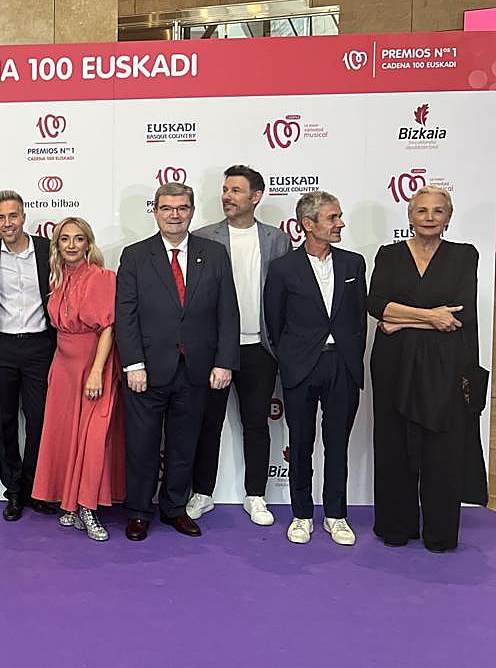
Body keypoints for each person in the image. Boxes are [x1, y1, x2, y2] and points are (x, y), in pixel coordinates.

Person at [116, 182, 239, 541]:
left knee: (185, 446)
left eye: (182, 208)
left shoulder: (214, 253)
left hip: (196, 369)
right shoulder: (135, 256)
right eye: (167, 208)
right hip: (146, 371)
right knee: (142, 446)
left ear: (192, 211)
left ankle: (174, 509)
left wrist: (224, 362)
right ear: (155, 211)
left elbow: (227, 311)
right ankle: (139, 511)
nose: (174, 215)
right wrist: (133, 364)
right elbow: (126, 315)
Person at [368, 186, 488, 552]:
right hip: (394, 362)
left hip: (445, 364)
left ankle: (440, 533)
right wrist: (430, 316)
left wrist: (400, 320)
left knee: (442, 447)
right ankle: (396, 526)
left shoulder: (464, 255)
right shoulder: (389, 254)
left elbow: (458, 315)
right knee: (393, 443)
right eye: (422, 211)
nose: (430, 217)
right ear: (410, 217)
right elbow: (377, 305)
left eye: (438, 211)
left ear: (448, 217)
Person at [188, 165, 291, 527]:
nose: (227, 197)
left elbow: (285, 295)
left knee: (256, 424)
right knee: (208, 423)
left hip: (260, 348)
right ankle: (202, 493)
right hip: (215, 350)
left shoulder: (277, 240)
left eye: (235, 190)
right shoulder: (203, 237)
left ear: (256, 197)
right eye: (225, 190)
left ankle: (256, 495)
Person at [264, 191, 366, 546]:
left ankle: (336, 515)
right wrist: (291, 358)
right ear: (308, 224)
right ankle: (302, 514)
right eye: (332, 218)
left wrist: (351, 356)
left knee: (337, 444)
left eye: (339, 216)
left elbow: (358, 318)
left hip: (342, 365)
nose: (340, 223)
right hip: (301, 366)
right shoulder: (282, 268)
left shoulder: (354, 264)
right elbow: (274, 321)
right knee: (300, 444)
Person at [32, 218, 125, 541]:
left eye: (79, 238)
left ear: (89, 243)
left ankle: (88, 507)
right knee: (68, 437)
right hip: (63, 367)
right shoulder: (56, 278)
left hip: (94, 365)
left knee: (93, 439)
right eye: (65, 239)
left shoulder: (103, 277)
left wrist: (97, 370)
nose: (71, 245)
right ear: (57, 245)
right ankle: (70, 503)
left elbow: (109, 328)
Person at [0, 190, 56, 521]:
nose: (7, 223)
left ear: (24, 217)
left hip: (40, 347)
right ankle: (14, 492)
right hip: (1, 349)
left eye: (13, 216)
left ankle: (36, 487)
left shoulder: (48, 249)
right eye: (1, 217)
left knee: (40, 421)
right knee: (5, 422)